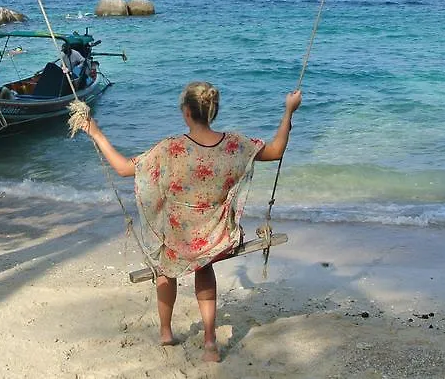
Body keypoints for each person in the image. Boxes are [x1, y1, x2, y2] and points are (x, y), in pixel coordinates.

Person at [83, 82, 302, 362]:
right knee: (204, 268)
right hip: (216, 235)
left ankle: (165, 332)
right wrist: (288, 112)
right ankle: (210, 342)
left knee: (165, 268)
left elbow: (125, 169)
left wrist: (97, 134)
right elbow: (276, 151)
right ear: (213, 111)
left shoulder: (170, 148)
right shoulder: (235, 145)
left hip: (178, 237)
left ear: (186, 112)